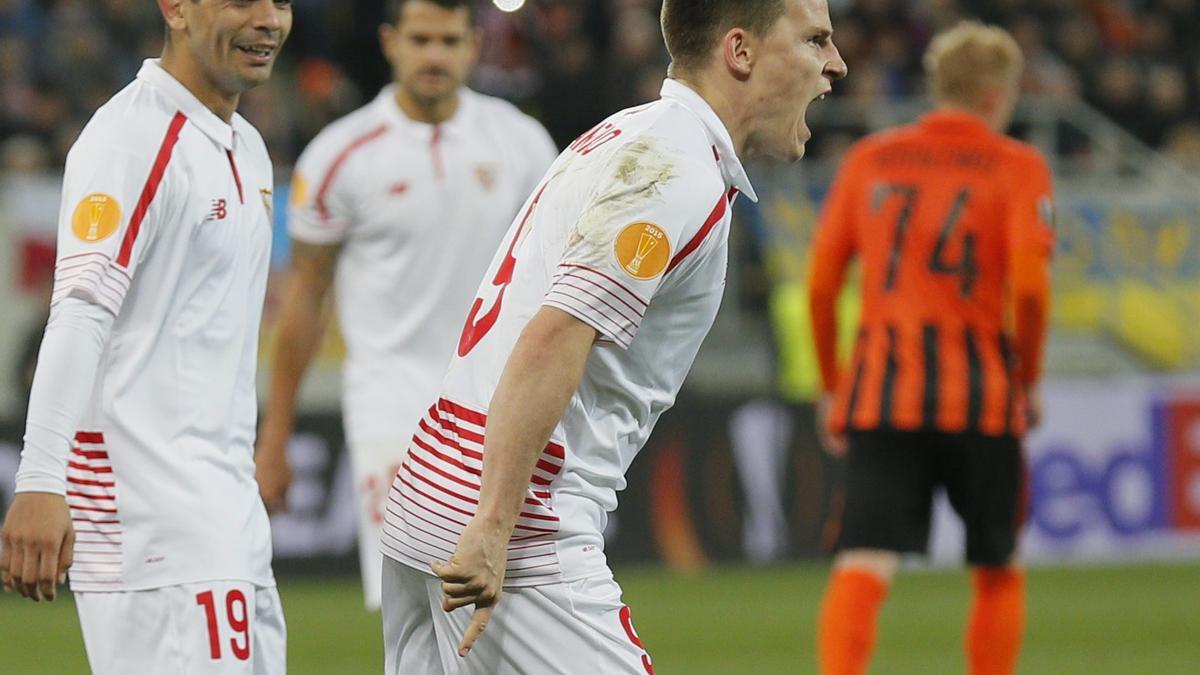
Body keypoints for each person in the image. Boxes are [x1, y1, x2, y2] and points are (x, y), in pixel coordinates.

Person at [379, 0, 846, 672]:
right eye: (814, 40)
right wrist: (493, 522)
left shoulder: (633, 133)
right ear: (740, 51)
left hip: (434, 478)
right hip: (515, 514)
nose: (836, 64)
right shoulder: (672, 171)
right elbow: (555, 333)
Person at [0, 1, 292, 672]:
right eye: (243, 0)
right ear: (178, 8)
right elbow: (79, 310)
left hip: (229, 518)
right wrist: (42, 478)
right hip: (153, 520)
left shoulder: (245, 147)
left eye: (280, 1)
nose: (269, 19)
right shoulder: (132, 141)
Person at [254, 0, 556, 611]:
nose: (434, 56)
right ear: (391, 42)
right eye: (420, 39)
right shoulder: (340, 154)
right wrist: (276, 435)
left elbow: (551, 284)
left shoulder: (524, 145)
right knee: (414, 603)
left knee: (508, 602)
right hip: (390, 411)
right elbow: (305, 302)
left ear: (474, 44)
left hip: (501, 403)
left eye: (448, 40)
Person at [809, 21, 1054, 675]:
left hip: (885, 393)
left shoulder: (871, 159)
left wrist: (832, 381)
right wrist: (1027, 380)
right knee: (998, 563)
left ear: (937, 87)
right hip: (984, 396)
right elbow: (1030, 291)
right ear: (998, 96)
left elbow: (822, 279)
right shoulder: (1019, 166)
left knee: (863, 559)